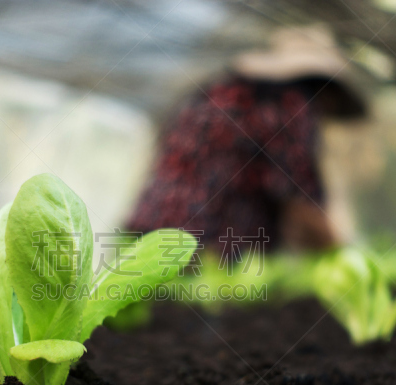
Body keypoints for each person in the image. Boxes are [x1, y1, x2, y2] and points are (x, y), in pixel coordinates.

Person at [126, 25, 367, 256]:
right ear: (322, 88)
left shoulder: (214, 92)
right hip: (205, 248)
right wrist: (340, 252)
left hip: (149, 238)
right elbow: (300, 198)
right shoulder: (289, 105)